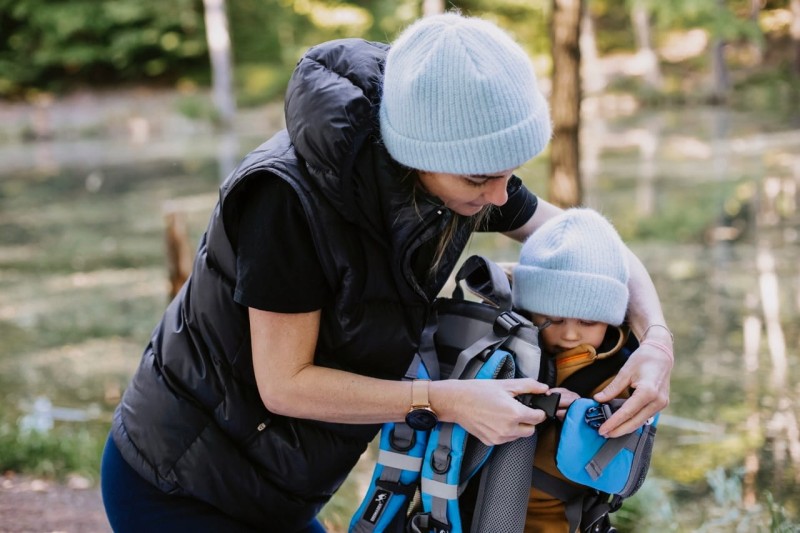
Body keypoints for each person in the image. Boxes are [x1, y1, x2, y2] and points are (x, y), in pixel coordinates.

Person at [100, 12, 672, 533]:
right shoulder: (287, 202)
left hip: (281, 484)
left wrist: (656, 341)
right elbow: (284, 384)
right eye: (480, 181)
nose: (500, 197)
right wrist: (449, 400)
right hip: (180, 483)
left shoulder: (460, 165)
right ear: (415, 155)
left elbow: (600, 246)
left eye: (510, 173)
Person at [512, 208, 668, 533]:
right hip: (477, 505)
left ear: (612, 319)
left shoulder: (622, 370)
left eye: (587, 322)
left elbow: (631, 428)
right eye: (551, 319)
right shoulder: (510, 344)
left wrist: (585, 412)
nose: (569, 335)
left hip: (559, 518)